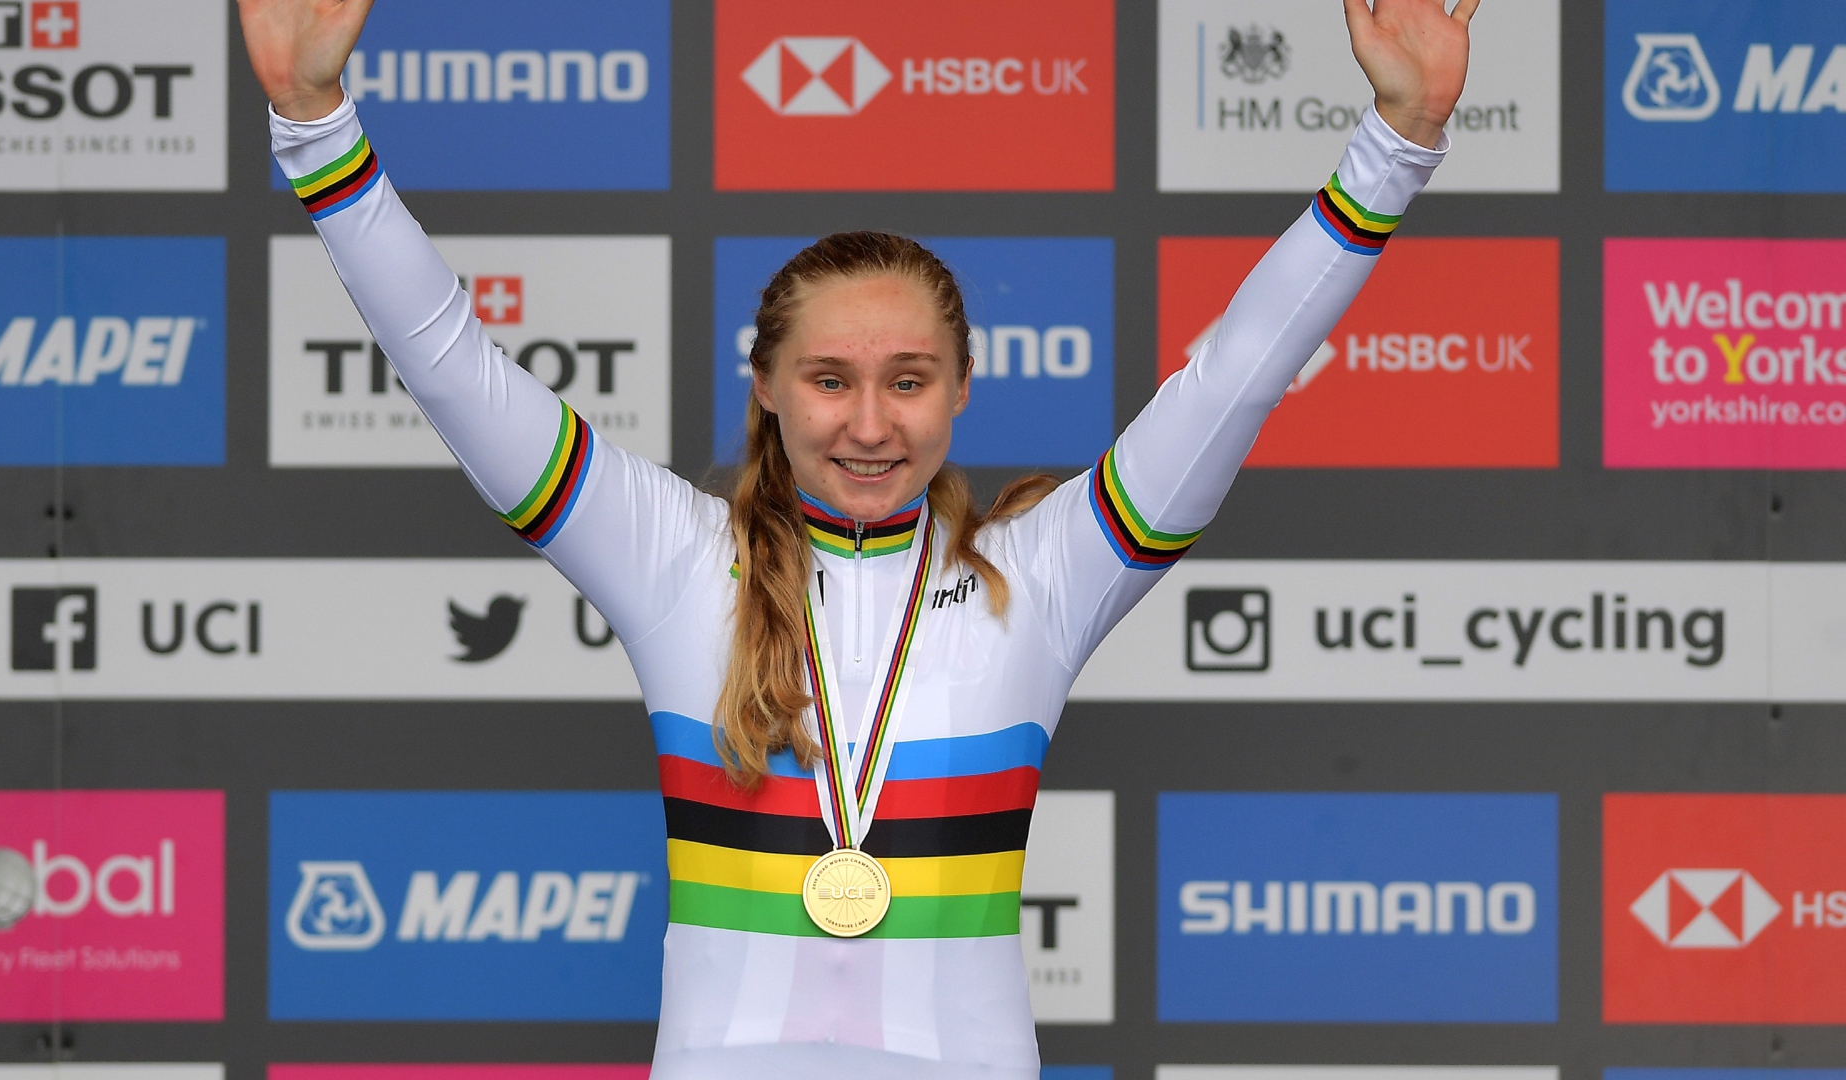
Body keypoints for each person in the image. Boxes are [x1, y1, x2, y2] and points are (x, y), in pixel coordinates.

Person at [240, 1, 1477, 1075]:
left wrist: (1397, 141)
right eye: (830, 380)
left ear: (963, 389)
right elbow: (452, 366)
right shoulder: (675, 560)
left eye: (909, 381)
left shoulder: (1044, 575)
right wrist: (314, 122)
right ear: (767, 386)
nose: (872, 424)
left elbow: (1236, 378)